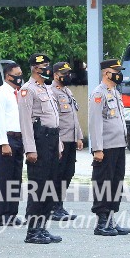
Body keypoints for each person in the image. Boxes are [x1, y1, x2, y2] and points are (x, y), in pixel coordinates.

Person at [19, 53, 63, 244]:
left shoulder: (47, 89)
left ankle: (43, 227)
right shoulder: (28, 90)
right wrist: (30, 148)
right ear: (34, 68)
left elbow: (55, 119)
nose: (46, 68)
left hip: (52, 139)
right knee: (38, 186)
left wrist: (59, 143)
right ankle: (33, 230)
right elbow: (26, 122)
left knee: (50, 185)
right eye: (43, 65)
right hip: (39, 140)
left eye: (47, 64)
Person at [88, 59, 130, 237]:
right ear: (107, 73)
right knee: (104, 182)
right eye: (116, 71)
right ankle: (102, 221)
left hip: (119, 144)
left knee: (116, 182)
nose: (119, 74)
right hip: (106, 147)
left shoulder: (115, 92)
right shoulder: (99, 93)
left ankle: (111, 217)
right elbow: (95, 122)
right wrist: (97, 148)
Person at [0, 62, 25, 226]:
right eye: (16, 74)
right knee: (4, 178)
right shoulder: (1, 93)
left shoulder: (19, 93)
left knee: (16, 178)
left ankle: (12, 213)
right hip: (6, 138)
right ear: (7, 76)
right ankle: (3, 214)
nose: (20, 77)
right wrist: (4, 143)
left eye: (20, 74)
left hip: (19, 138)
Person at [49, 62, 82, 221]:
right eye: (65, 73)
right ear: (56, 75)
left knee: (68, 172)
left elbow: (73, 117)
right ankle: (54, 207)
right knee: (58, 173)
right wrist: (58, 141)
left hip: (71, 138)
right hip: (61, 140)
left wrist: (79, 136)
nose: (68, 76)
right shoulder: (52, 92)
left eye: (69, 72)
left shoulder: (67, 91)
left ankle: (59, 205)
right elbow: (54, 119)